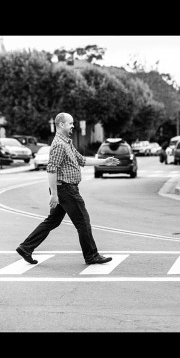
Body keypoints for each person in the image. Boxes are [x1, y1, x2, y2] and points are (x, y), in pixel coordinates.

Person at [15, 112, 120, 265]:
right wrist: (54, 194)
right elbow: (51, 169)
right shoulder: (58, 145)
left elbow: (82, 160)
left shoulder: (67, 143)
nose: (73, 126)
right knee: (83, 221)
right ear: (62, 124)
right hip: (65, 189)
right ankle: (91, 255)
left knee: (53, 221)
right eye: (70, 123)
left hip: (65, 189)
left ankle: (25, 248)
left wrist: (104, 162)